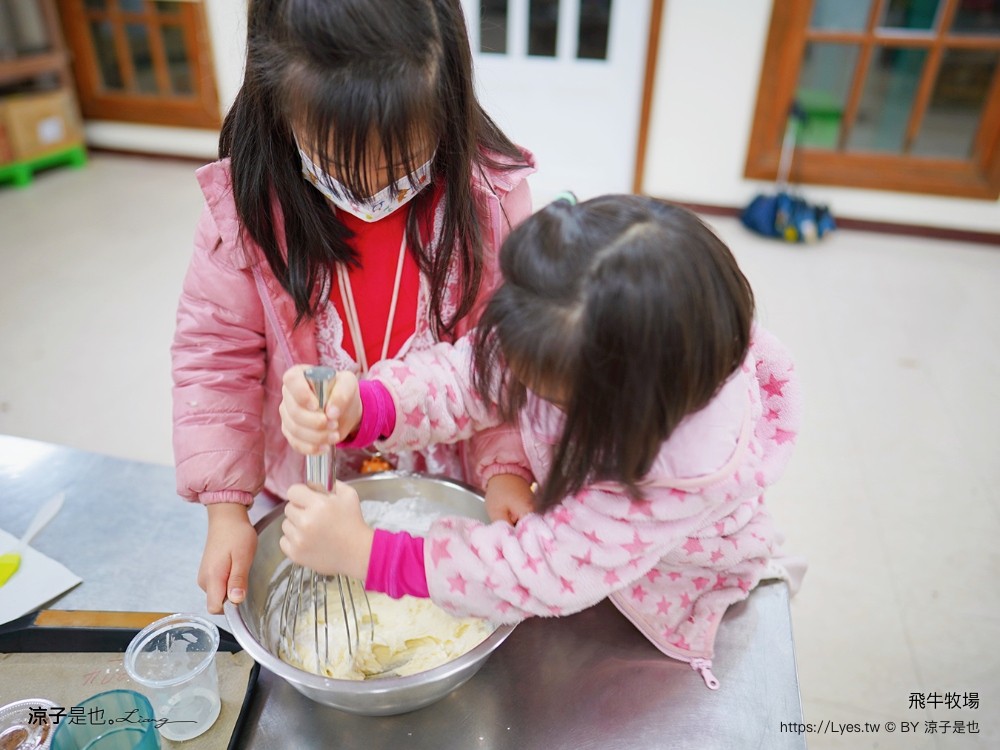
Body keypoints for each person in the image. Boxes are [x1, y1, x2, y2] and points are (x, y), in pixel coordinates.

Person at [277, 195, 805, 689]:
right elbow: (470, 378)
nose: (517, 381)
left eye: (541, 388)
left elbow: (545, 569)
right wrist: (369, 406)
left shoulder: (664, 480)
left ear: (616, 413)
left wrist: (367, 554)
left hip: (664, 584)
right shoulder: (575, 321)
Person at [171, 0, 535, 615]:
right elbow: (215, 358)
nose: (370, 187)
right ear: (278, 104)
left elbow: (505, 357)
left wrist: (506, 469)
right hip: (304, 483)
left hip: (443, 476)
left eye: (397, 162)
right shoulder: (246, 211)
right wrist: (226, 509)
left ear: (445, 91)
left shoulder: (490, 201)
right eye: (340, 161)